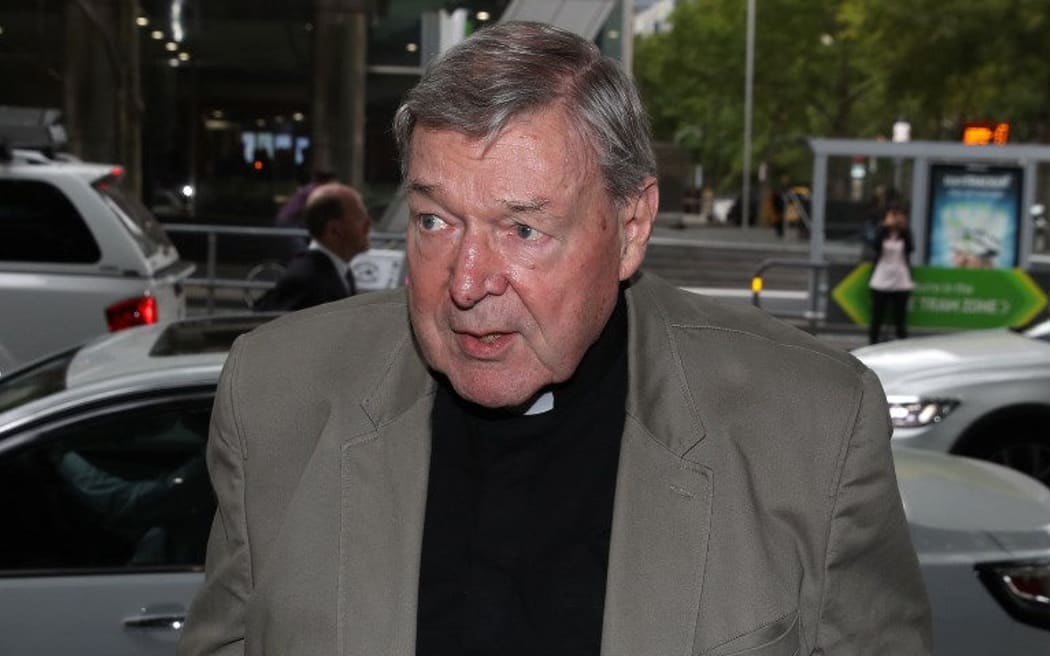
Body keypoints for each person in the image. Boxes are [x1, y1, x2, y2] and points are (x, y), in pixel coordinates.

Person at [179, 22, 931, 656]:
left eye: (523, 229)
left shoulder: (812, 427)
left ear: (631, 227)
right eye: (435, 220)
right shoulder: (275, 395)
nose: (467, 282)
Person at [253, 182, 371, 312]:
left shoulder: (339, 270)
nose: (368, 225)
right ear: (334, 230)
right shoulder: (306, 280)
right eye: (359, 218)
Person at [868, 205, 915, 344]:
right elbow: (875, 246)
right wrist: (884, 227)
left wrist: (903, 228)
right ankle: (873, 342)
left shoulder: (905, 234)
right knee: (877, 316)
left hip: (901, 279)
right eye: (892, 216)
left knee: (900, 318)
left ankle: (902, 344)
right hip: (881, 278)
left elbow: (911, 248)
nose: (895, 220)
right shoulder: (882, 232)